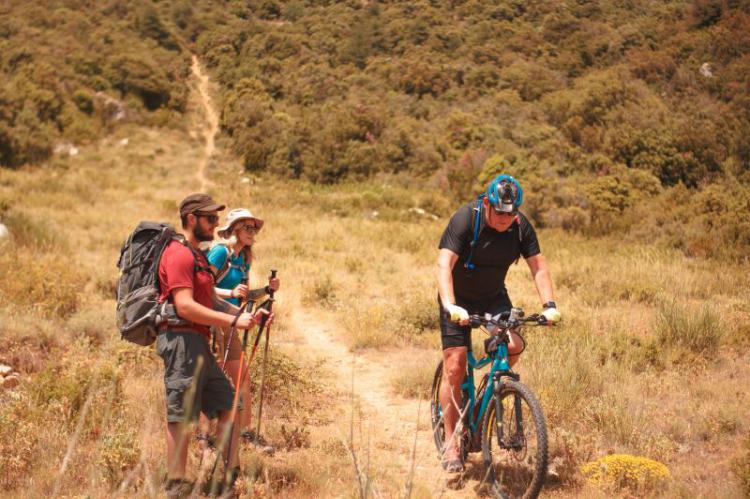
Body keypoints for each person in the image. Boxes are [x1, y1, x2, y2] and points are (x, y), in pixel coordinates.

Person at [436, 174, 561, 473]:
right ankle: (452, 441)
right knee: (455, 365)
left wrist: (550, 306)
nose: (506, 218)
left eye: (511, 212)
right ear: (488, 204)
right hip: (457, 298)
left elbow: (539, 267)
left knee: (514, 345)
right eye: (500, 212)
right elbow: (444, 264)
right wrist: (451, 305)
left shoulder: (520, 227)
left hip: (493, 299)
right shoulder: (467, 218)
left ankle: (485, 398)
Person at [157, 193, 272, 498]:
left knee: (228, 405)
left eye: (216, 219)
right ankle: (177, 485)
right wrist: (234, 323)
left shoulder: (197, 256)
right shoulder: (179, 254)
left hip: (199, 341)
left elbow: (211, 300)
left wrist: (247, 315)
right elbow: (184, 306)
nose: (215, 224)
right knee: (181, 416)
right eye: (210, 218)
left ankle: (230, 479)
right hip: (180, 340)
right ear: (191, 219)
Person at [206, 208, 280, 451]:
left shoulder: (243, 258)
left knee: (239, 379)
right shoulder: (220, 252)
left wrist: (266, 291)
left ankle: (242, 434)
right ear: (234, 229)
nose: (253, 233)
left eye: (254, 228)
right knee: (220, 380)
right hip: (214, 322)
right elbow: (200, 287)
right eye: (247, 228)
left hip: (232, 322)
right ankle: (209, 437)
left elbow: (245, 295)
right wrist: (229, 293)